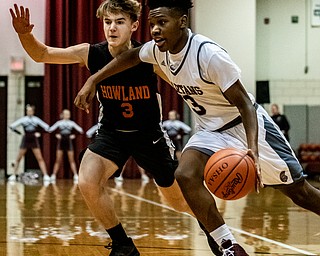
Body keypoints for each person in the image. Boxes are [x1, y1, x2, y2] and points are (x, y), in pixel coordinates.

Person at [74, 0, 320, 255]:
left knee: (299, 193)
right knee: (184, 174)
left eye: (162, 23)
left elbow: (245, 104)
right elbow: (130, 56)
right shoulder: (159, 51)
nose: (155, 30)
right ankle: (228, 247)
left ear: (182, 22)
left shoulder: (208, 54)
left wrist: (252, 149)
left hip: (245, 125)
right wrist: (93, 79)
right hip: (210, 130)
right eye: (152, 24)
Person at [10, 2, 223, 256]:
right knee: (87, 180)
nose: (112, 27)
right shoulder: (91, 53)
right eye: (107, 22)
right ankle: (123, 245)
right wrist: (25, 34)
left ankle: (213, 229)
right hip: (112, 133)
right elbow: (42, 54)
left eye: (119, 22)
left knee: (177, 201)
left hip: (148, 135)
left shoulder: (150, 56)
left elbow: (183, 83)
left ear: (133, 26)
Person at [9, 104, 50, 182]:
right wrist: (20, 133)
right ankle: (13, 175)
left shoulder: (36, 119)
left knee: (39, 158)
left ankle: (45, 175)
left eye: (31, 111)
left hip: (34, 139)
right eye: (28, 111)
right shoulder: (23, 119)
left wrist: (39, 133)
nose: (29, 112)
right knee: (18, 158)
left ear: (33, 112)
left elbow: (47, 127)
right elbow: (12, 126)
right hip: (26, 139)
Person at [48, 109, 84, 182]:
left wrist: (74, 135)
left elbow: (80, 130)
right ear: (63, 115)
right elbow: (50, 130)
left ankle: (75, 175)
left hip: (68, 141)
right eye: (66, 114)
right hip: (61, 141)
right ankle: (53, 175)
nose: (67, 115)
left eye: (68, 114)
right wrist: (56, 135)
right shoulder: (59, 123)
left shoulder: (72, 123)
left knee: (71, 160)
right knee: (58, 159)